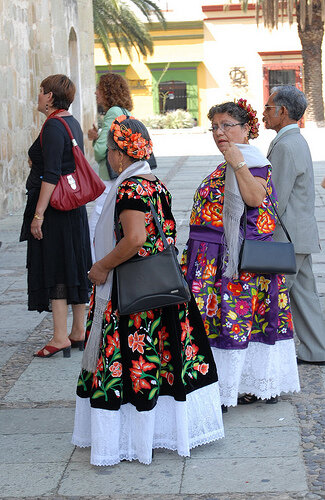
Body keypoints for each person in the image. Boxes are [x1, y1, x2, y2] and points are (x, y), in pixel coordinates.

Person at [72, 115, 224, 466]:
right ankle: (156, 432)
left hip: (132, 293)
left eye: (110, 150)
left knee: (131, 363)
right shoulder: (152, 182)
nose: (108, 157)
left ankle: (131, 439)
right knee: (162, 360)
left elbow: (136, 239)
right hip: (161, 287)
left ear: (121, 155)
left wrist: (102, 266)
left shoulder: (129, 188)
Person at [181, 99, 300, 408]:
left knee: (233, 322)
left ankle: (236, 387)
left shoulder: (253, 161)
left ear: (246, 129)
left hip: (232, 261)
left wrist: (237, 162)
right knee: (220, 323)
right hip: (210, 258)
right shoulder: (229, 161)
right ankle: (228, 385)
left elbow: (255, 197)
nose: (219, 132)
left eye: (226, 126)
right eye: (214, 127)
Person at [20, 74, 92, 357]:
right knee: (72, 264)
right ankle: (78, 330)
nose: (38, 95)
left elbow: (51, 174)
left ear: (49, 97)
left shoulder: (52, 126)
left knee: (56, 267)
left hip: (54, 208)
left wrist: (38, 215)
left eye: (41, 91)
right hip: (72, 207)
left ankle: (60, 336)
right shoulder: (70, 122)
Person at [264, 86, 325, 366]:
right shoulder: (292, 140)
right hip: (299, 234)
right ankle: (317, 350)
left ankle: (265, 356)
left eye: (268, 108)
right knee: (304, 294)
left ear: (283, 112)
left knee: (270, 296)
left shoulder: (286, 145)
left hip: (287, 237)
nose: (264, 113)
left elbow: (275, 198)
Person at [87, 73, 133, 261]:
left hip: (109, 179)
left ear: (107, 91)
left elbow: (100, 152)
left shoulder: (112, 113)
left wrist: (95, 140)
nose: (95, 92)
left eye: (99, 88)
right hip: (119, 176)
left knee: (94, 230)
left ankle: (93, 269)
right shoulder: (124, 111)